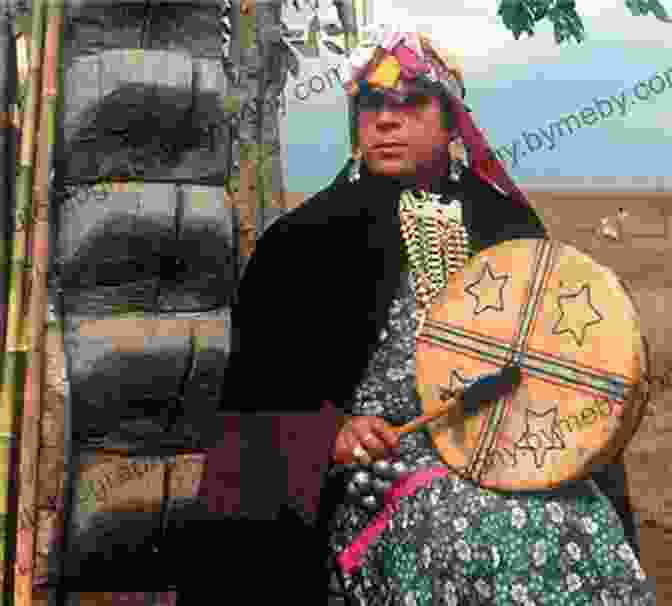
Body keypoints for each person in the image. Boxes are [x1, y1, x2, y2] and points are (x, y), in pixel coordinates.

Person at [199, 26, 651, 605]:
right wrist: (329, 432)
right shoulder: (303, 243)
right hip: (375, 475)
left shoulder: (506, 227)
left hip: (508, 452)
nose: (385, 121)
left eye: (410, 103)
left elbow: (556, 370)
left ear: (452, 119)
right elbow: (253, 399)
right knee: (472, 526)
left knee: (583, 520)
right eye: (371, 105)